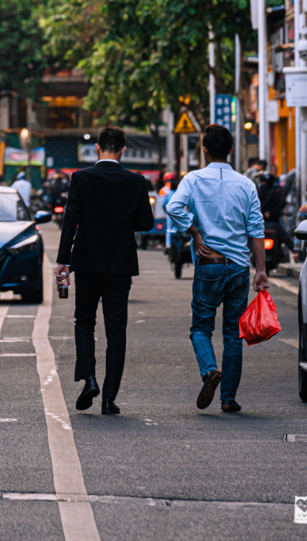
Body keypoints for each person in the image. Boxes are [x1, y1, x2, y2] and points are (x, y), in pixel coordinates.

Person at [166, 124, 267, 414]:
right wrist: (260, 270)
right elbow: (256, 229)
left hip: (209, 264)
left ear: (205, 150)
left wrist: (194, 232)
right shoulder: (246, 184)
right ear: (231, 150)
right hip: (238, 267)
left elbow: (174, 208)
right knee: (234, 335)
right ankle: (228, 398)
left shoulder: (194, 180)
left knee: (201, 327)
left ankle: (210, 370)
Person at [55, 125, 154, 416]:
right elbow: (146, 223)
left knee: (84, 322)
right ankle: (109, 398)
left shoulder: (81, 178)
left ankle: (89, 379)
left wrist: (63, 261)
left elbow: (69, 222)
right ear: (123, 149)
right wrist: (121, 222)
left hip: (86, 262)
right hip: (120, 266)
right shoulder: (136, 182)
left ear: (97, 148)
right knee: (116, 331)